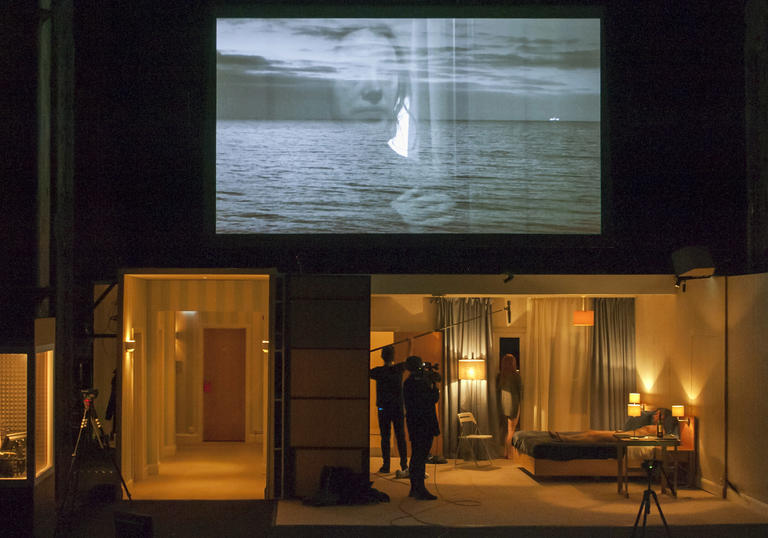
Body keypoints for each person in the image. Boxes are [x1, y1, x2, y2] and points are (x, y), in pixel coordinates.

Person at [403, 355, 440, 500]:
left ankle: (414, 488)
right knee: (421, 455)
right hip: (424, 422)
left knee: (416, 455)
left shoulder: (408, 383)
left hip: (413, 423)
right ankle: (420, 489)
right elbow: (432, 399)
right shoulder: (421, 383)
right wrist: (433, 386)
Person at [369, 345, 408, 474]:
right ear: (394, 356)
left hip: (383, 408)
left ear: (382, 356)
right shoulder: (398, 369)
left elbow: (364, 368)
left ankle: (386, 465)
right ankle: (404, 465)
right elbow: (409, 359)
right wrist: (410, 343)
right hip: (397, 408)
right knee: (400, 436)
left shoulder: (378, 371)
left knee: (385, 437)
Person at [498, 353, 522, 458]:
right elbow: (520, 391)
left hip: (504, 406)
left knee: (507, 430)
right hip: (514, 404)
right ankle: (510, 453)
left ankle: (505, 452)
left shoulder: (501, 376)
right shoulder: (515, 376)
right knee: (511, 430)